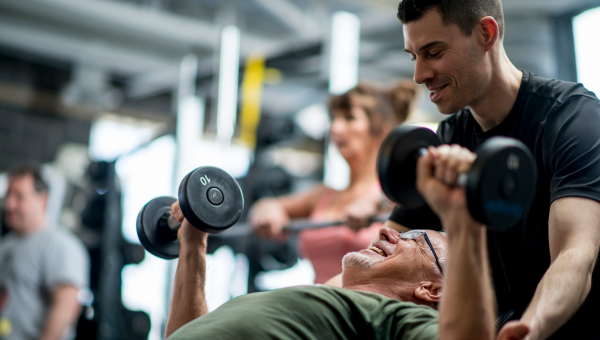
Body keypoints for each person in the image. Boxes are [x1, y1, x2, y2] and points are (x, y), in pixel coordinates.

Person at [383, 1, 600, 339]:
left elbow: (576, 256)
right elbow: (385, 246)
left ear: (486, 33)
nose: (419, 75)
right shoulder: (448, 140)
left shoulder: (572, 119)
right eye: (414, 57)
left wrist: (529, 329)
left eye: (434, 52)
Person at [163, 168, 506, 340]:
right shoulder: (322, 305)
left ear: (433, 290)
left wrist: (463, 219)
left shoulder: (394, 321)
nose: (388, 231)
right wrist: (193, 244)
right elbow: (189, 332)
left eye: (414, 239)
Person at [249, 82, 418, 283]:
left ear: (381, 131)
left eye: (349, 118)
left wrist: (375, 203)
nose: (335, 128)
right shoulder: (325, 195)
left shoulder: (395, 194)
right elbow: (267, 205)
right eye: (334, 118)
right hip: (318, 307)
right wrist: (268, 211)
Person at [0, 163, 90, 340]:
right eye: (8, 195)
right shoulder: (6, 245)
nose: (9, 204)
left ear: (43, 200)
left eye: (19, 197)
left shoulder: (60, 245)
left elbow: (65, 307)